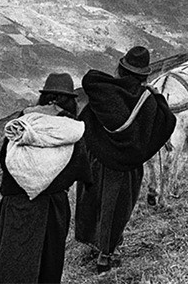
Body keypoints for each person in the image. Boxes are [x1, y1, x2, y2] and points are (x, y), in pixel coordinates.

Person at [75, 47, 176, 273]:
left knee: (93, 202)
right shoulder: (148, 101)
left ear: (121, 68)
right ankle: (106, 253)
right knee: (116, 209)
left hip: (96, 160)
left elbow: (90, 80)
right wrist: (156, 95)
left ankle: (93, 242)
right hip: (125, 166)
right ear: (144, 75)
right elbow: (167, 121)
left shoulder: (104, 91)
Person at [0, 73, 92, 284]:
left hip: (16, 205)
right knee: (48, 264)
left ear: (46, 97)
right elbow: (79, 167)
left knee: (13, 265)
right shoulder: (72, 129)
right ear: (68, 100)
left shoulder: (21, 123)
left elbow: (5, 159)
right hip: (53, 207)